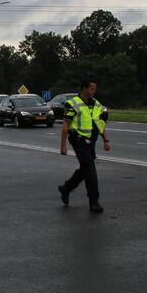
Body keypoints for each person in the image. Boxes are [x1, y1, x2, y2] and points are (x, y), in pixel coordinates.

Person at [58, 78, 110, 213]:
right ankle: (94, 202)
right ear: (84, 89)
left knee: (85, 169)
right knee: (91, 170)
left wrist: (105, 140)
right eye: (92, 88)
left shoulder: (96, 104)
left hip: (90, 141)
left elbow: (99, 123)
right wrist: (63, 146)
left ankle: (66, 188)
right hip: (78, 140)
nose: (94, 91)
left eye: (94, 88)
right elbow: (65, 126)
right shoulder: (73, 104)